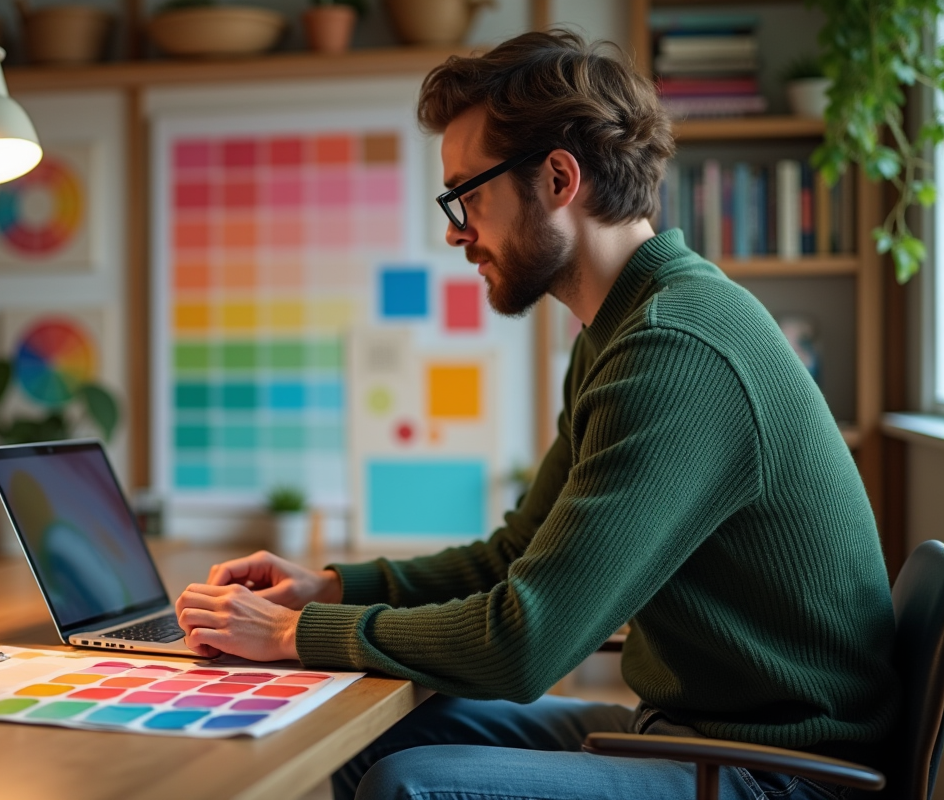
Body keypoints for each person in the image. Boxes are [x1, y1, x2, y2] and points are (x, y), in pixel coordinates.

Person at [175, 30, 899, 800]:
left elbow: (529, 643)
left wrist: (292, 635)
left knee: (412, 781)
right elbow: (514, 557)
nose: (456, 232)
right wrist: (326, 591)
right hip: (688, 736)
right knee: (383, 726)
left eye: (467, 196)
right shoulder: (624, 331)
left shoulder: (675, 351)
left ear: (558, 178)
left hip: (778, 776)